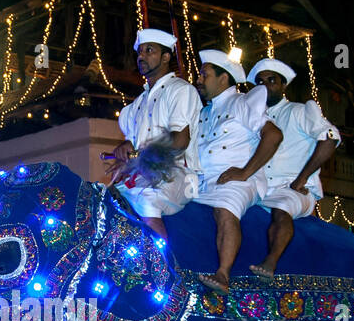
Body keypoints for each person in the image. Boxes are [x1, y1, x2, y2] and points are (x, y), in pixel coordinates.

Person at [191, 49, 283, 294]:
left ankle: (223, 274)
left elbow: (274, 135)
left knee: (224, 208)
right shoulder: (203, 112)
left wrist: (244, 172)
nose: (198, 79)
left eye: (204, 74)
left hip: (238, 181)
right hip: (202, 181)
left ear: (223, 78)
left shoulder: (244, 102)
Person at [245, 59, 341, 279]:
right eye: (259, 82)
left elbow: (329, 138)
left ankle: (271, 263)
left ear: (283, 85)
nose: (265, 86)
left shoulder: (299, 111)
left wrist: (302, 179)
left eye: (272, 80)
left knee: (281, 207)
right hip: (259, 189)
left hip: (293, 189)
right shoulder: (252, 118)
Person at [109, 28, 202, 238]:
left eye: (149, 50)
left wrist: (139, 156)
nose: (141, 56)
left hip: (179, 175)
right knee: (104, 199)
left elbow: (179, 142)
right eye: (140, 52)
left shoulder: (180, 90)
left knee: (146, 199)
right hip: (143, 175)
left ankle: (164, 267)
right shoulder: (137, 104)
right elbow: (136, 154)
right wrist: (126, 150)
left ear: (166, 57)